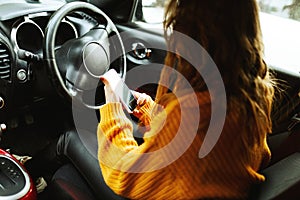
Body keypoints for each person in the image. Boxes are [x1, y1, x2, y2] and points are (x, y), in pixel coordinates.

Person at [96, 0, 275, 199]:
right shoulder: (254, 96)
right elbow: (260, 155)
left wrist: (112, 108)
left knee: (69, 141)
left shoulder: (189, 113)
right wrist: (149, 109)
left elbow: (124, 175)